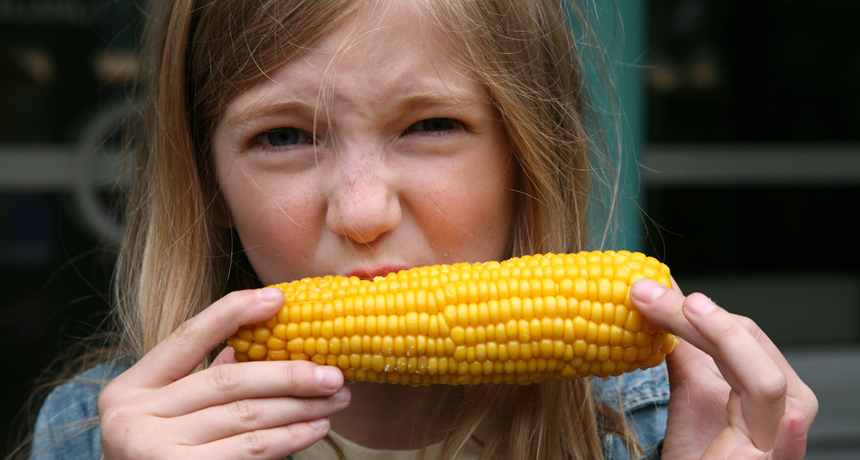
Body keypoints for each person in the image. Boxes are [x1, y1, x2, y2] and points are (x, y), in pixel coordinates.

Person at [20, 0, 817, 459]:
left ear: (523, 159)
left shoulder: (656, 433)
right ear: (209, 184)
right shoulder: (95, 436)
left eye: (431, 124)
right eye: (284, 137)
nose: (363, 212)